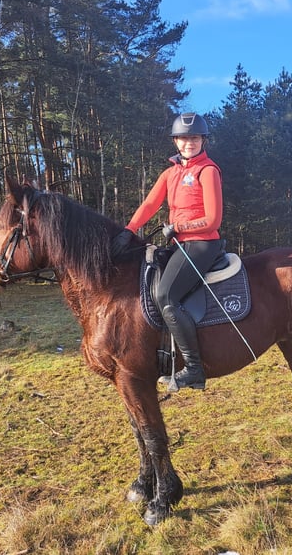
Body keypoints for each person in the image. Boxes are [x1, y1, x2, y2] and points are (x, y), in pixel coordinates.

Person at [111, 112, 223, 390]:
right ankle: (164, 357)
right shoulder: (170, 173)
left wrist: (180, 226)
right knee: (149, 286)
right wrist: (129, 230)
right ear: (176, 141)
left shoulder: (207, 171)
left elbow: (213, 220)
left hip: (202, 243)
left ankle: (195, 368)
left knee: (166, 294)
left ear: (202, 140)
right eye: (184, 138)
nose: (189, 143)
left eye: (194, 138)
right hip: (180, 243)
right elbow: (150, 205)